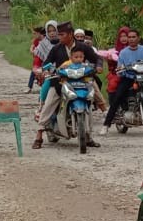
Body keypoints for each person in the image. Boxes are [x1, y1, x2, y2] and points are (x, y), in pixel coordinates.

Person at [32, 21, 103, 149]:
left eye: (62, 34)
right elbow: (47, 62)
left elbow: (97, 58)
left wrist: (98, 66)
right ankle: (39, 135)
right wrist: (45, 70)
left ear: (70, 34)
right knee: (49, 103)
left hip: (82, 81)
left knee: (92, 97)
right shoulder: (57, 48)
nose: (59, 37)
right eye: (58, 35)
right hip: (61, 82)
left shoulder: (83, 47)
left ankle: (90, 133)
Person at [102, 31, 143, 135]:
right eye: (129, 37)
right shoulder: (123, 52)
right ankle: (106, 125)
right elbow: (120, 65)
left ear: (138, 38)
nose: (131, 39)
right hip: (128, 78)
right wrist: (120, 69)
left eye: (134, 37)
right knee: (117, 97)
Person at [27, 25, 47, 92]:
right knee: (33, 73)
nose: (34, 35)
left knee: (44, 74)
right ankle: (29, 87)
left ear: (39, 33)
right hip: (37, 61)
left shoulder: (46, 40)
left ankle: (43, 88)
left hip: (43, 61)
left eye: (35, 33)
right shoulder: (36, 40)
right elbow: (31, 47)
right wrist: (33, 51)